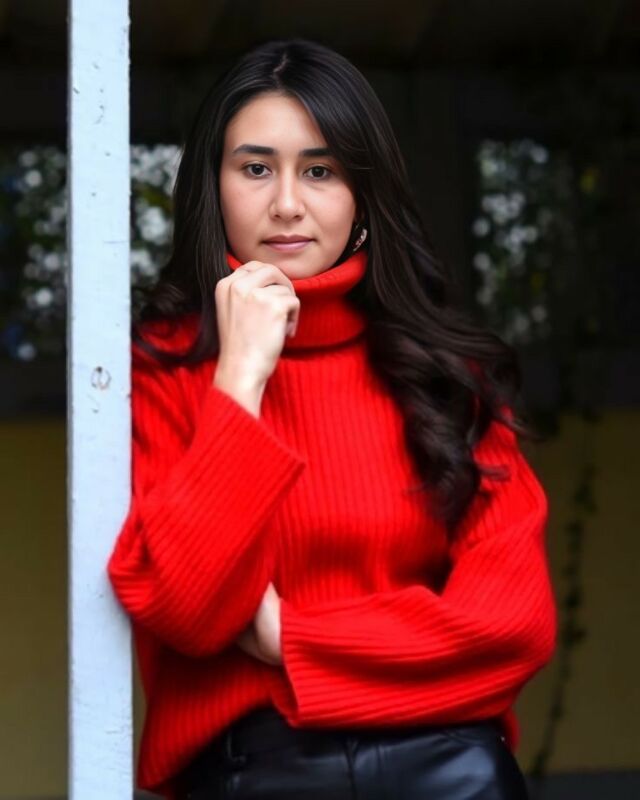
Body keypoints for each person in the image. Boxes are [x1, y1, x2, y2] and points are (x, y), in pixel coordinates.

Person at [107, 37, 557, 800]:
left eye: (320, 170)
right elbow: (189, 611)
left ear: (363, 193)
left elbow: (511, 628)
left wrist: (290, 638)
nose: (287, 203)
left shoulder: (452, 376)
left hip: (450, 772)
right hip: (253, 775)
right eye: (256, 169)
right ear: (212, 188)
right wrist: (239, 377)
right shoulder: (159, 373)